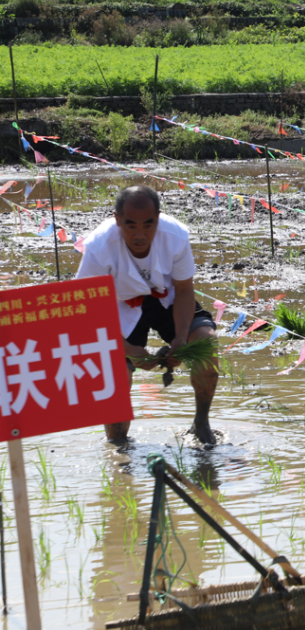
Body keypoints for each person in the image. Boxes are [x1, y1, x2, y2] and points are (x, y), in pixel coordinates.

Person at [75, 185, 219, 444]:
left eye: (148, 225)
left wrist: (182, 337)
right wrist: (127, 349)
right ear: (117, 219)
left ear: (159, 218)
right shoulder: (98, 247)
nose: (140, 234)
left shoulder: (175, 236)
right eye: (131, 226)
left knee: (206, 343)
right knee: (117, 374)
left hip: (165, 297)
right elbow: (86, 310)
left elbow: (185, 289)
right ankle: (118, 446)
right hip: (116, 304)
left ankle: (201, 422)